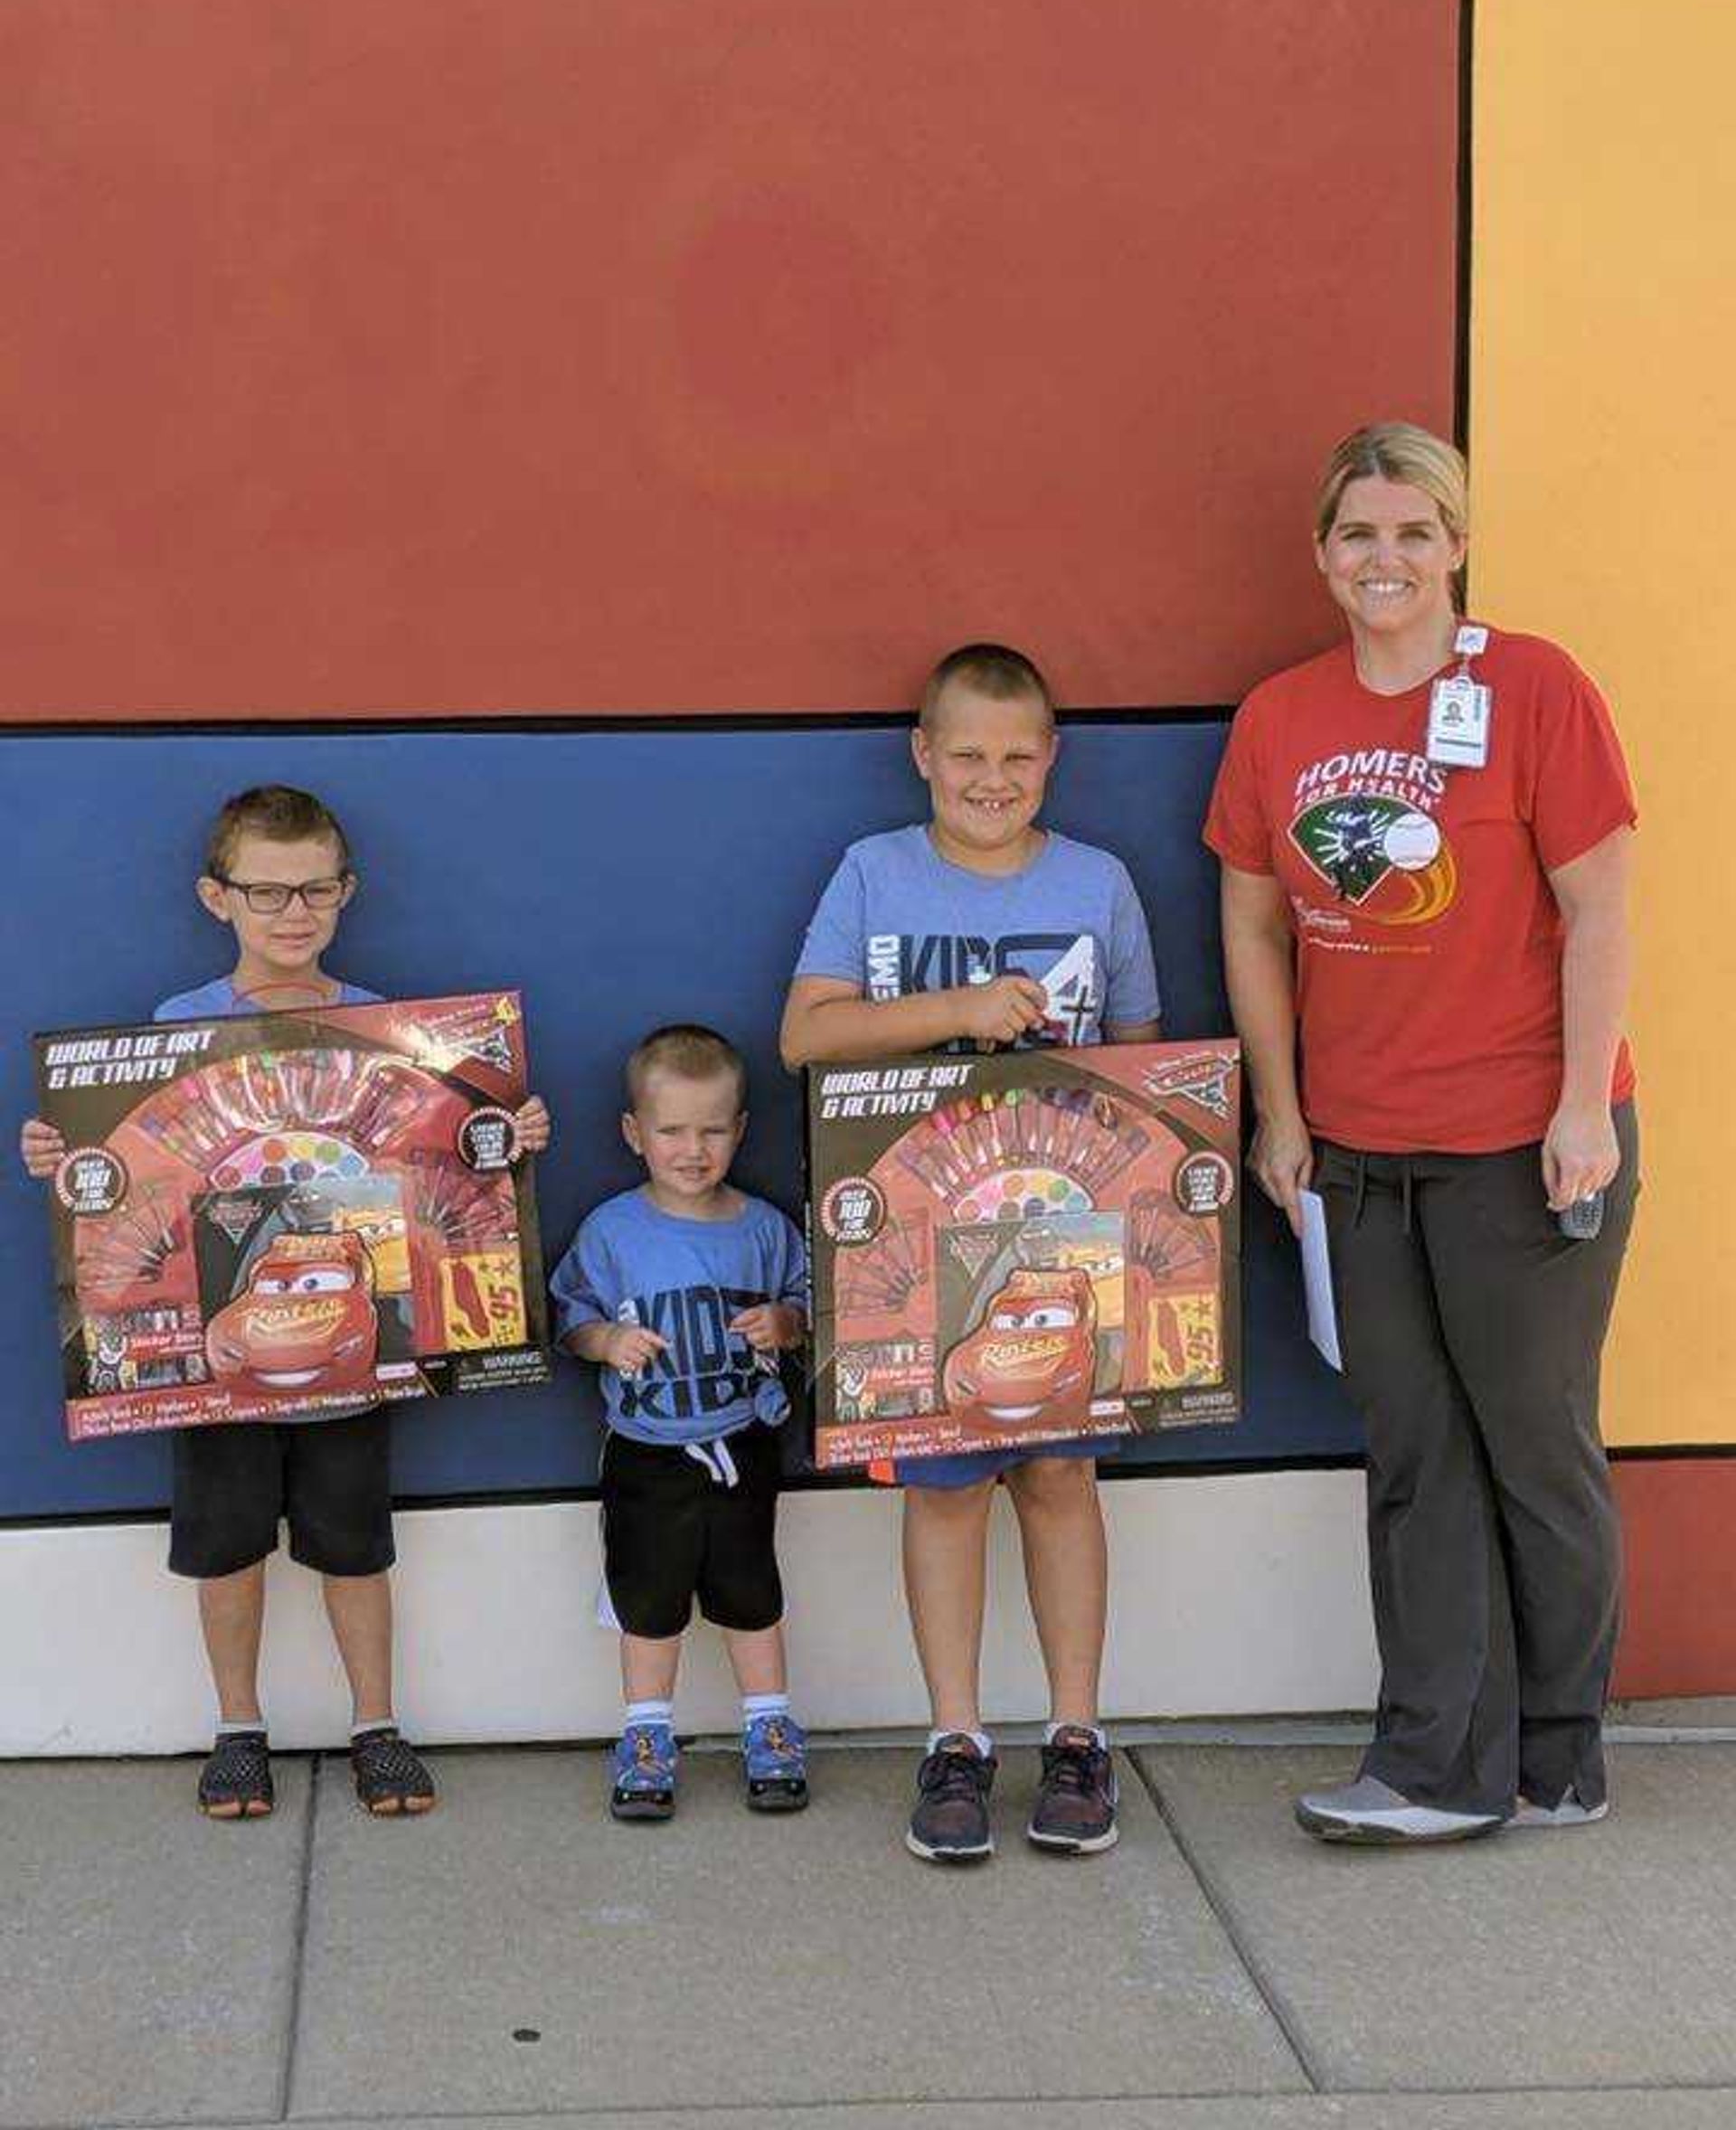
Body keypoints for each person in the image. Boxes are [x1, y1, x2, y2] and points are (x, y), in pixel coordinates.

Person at [1205, 422, 1638, 1843]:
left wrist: (1582, 1106)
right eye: (1356, 535)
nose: (1382, 560)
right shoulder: (1283, 717)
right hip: (1359, 1150)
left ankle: (1556, 1755)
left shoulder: (1534, 689)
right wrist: (1283, 1113)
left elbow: (1599, 908)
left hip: (1524, 1140)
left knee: (1535, 1445)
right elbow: (1255, 921)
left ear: (1455, 543)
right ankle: (1434, 1761)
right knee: (1414, 1453)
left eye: (1411, 532)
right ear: (1321, 554)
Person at [20, 784, 552, 1820]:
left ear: (347, 892)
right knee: (226, 1546)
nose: (293, 912)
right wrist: (62, 1152)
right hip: (215, 1363)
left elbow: (451, 1162)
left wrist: (504, 1134)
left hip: (354, 1345)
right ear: (216, 898)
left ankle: (377, 1724)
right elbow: (124, 1175)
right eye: (267, 891)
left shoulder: (391, 1034)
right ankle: (237, 1727)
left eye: (315, 890)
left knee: (354, 1540)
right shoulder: (172, 1030)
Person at [782, 642, 1161, 1861]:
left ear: (1050, 758)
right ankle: (954, 1740)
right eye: (967, 754)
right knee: (944, 1494)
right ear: (923, 756)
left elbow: (1149, 1073)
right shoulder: (874, 872)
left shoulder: (1100, 880)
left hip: (1067, 1245)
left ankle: (1076, 1734)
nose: (991, 778)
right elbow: (805, 1036)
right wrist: (958, 1011)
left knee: (1060, 1481)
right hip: (912, 1248)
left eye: (1016, 755)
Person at [550, 1023, 810, 1821]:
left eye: (710, 1131)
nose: (691, 1150)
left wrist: (784, 1323)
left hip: (742, 1440)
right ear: (635, 1134)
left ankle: (769, 1723)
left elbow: (813, 1301)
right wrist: (608, 1342)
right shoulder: (612, 1229)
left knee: (750, 1588)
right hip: (646, 1453)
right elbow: (570, 1320)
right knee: (648, 1597)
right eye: (670, 1130)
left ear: (740, 1132)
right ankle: (646, 1733)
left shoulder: (763, 1227)